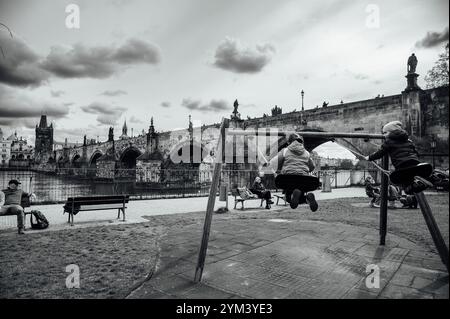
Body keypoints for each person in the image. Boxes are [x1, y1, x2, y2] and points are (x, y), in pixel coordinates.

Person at [363, 120, 433, 192]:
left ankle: (410, 188)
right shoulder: (408, 141)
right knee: (410, 177)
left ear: (392, 132)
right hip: (414, 163)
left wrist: (370, 157)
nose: (384, 135)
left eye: (385, 133)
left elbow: (380, 153)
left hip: (401, 164)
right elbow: (415, 152)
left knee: (402, 179)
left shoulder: (388, 142)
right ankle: (420, 183)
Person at [268, 133, 318, 211]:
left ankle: (292, 196)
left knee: (288, 197)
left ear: (289, 142)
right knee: (300, 194)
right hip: (304, 180)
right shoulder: (307, 153)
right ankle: (308, 198)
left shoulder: (285, 151)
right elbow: (312, 167)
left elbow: (273, 163)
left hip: (289, 179)